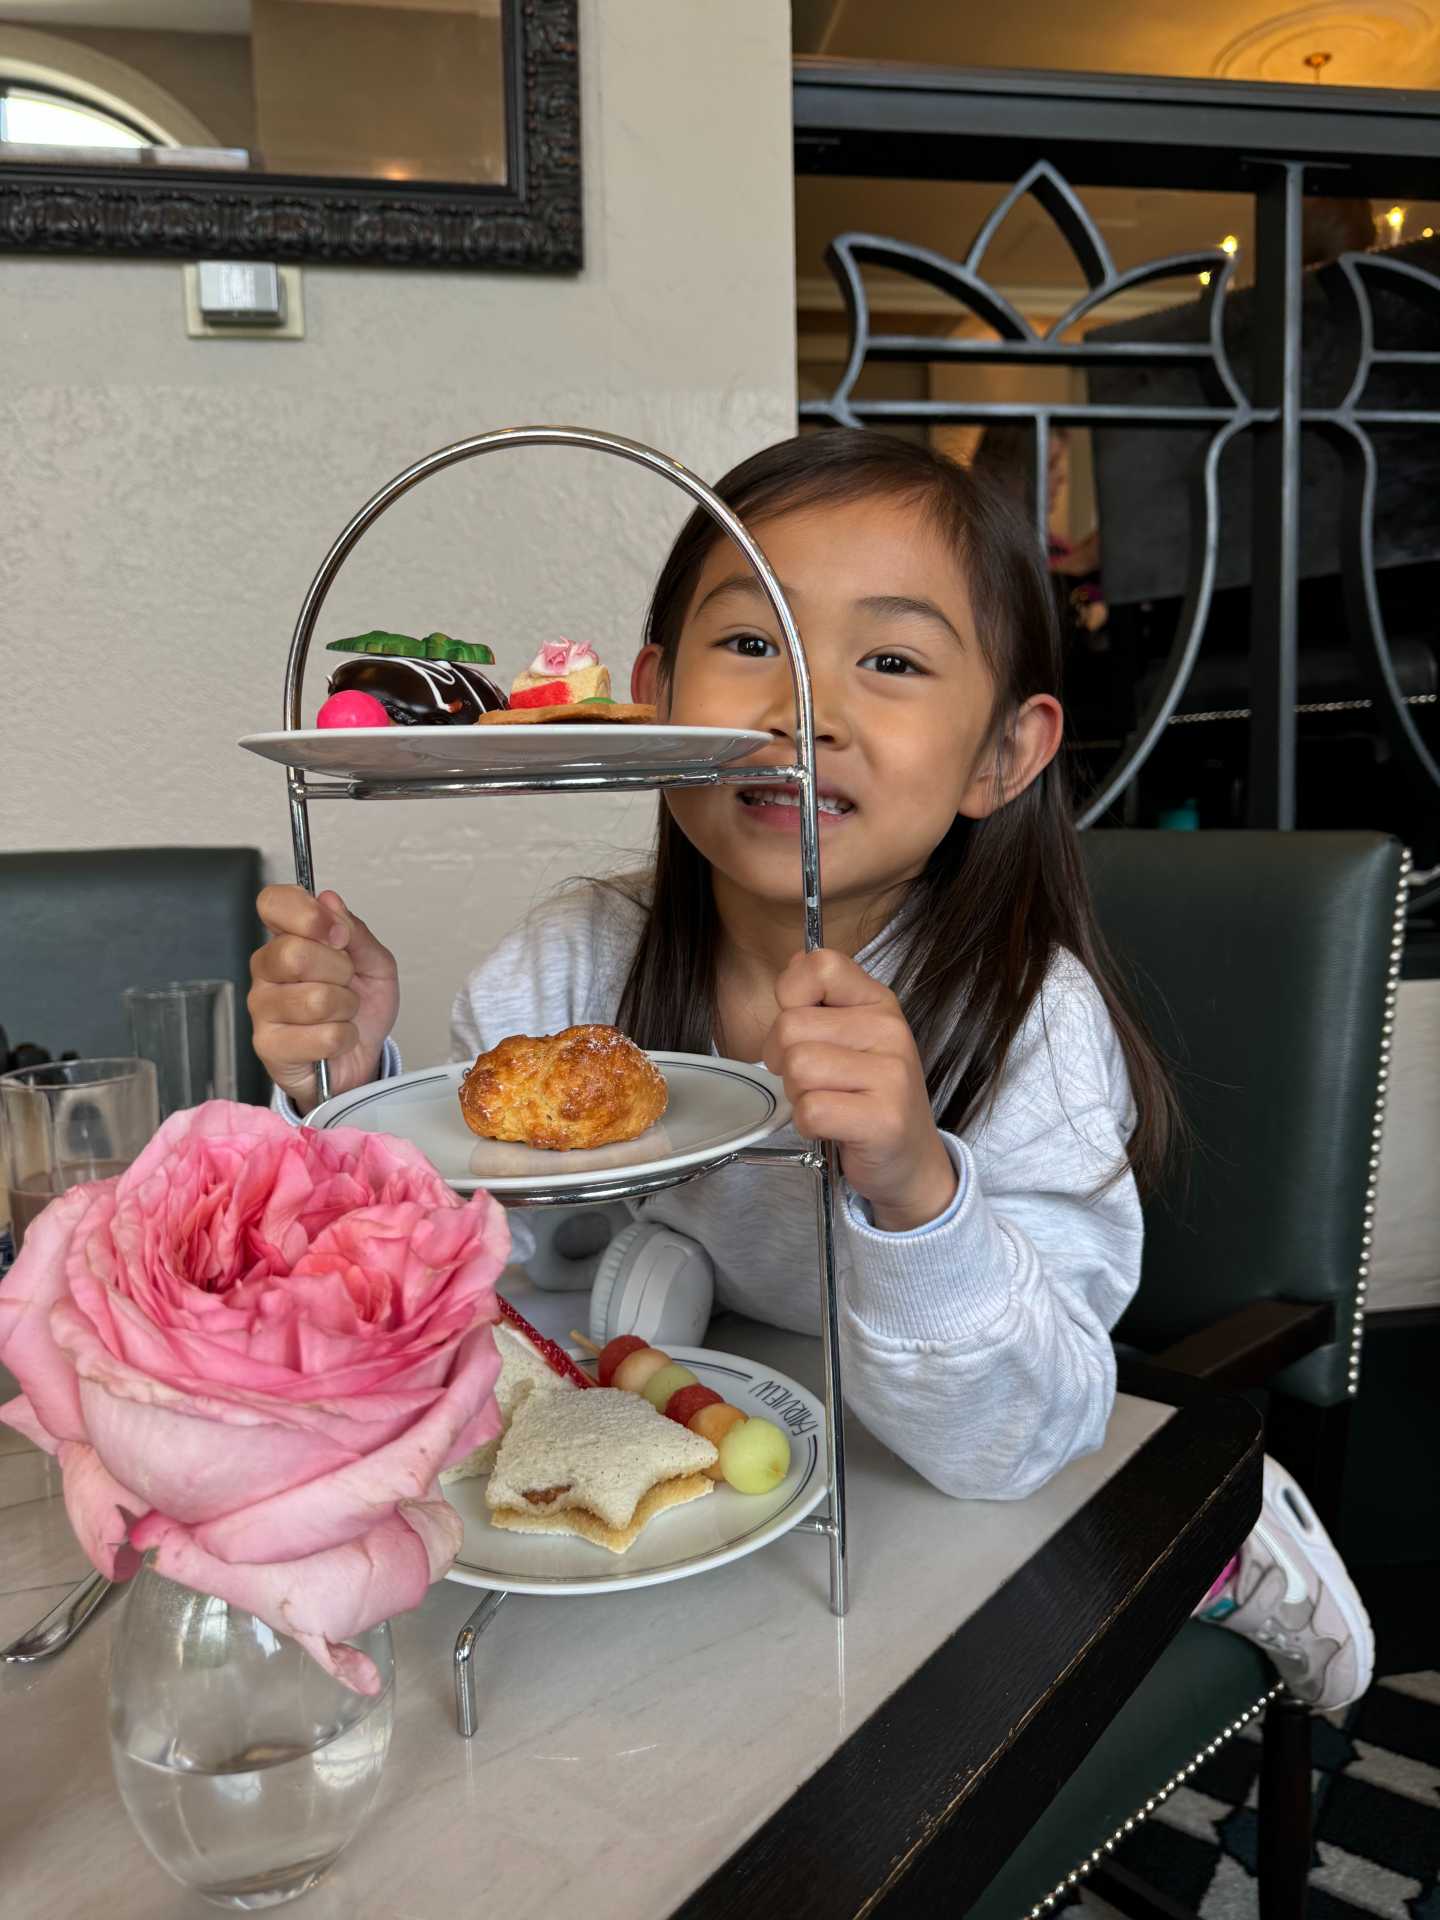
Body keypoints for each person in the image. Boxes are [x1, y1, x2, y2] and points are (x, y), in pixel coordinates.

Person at [248, 430, 1372, 1712]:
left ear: (1004, 752)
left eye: (891, 660)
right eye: (750, 643)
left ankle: (1229, 1536)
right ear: (653, 693)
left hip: (976, 1439)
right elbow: (475, 1296)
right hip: (732, 1419)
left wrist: (912, 1179)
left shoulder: (1025, 1018)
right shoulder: (571, 970)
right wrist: (347, 1090)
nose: (805, 710)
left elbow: (1018, 1439)